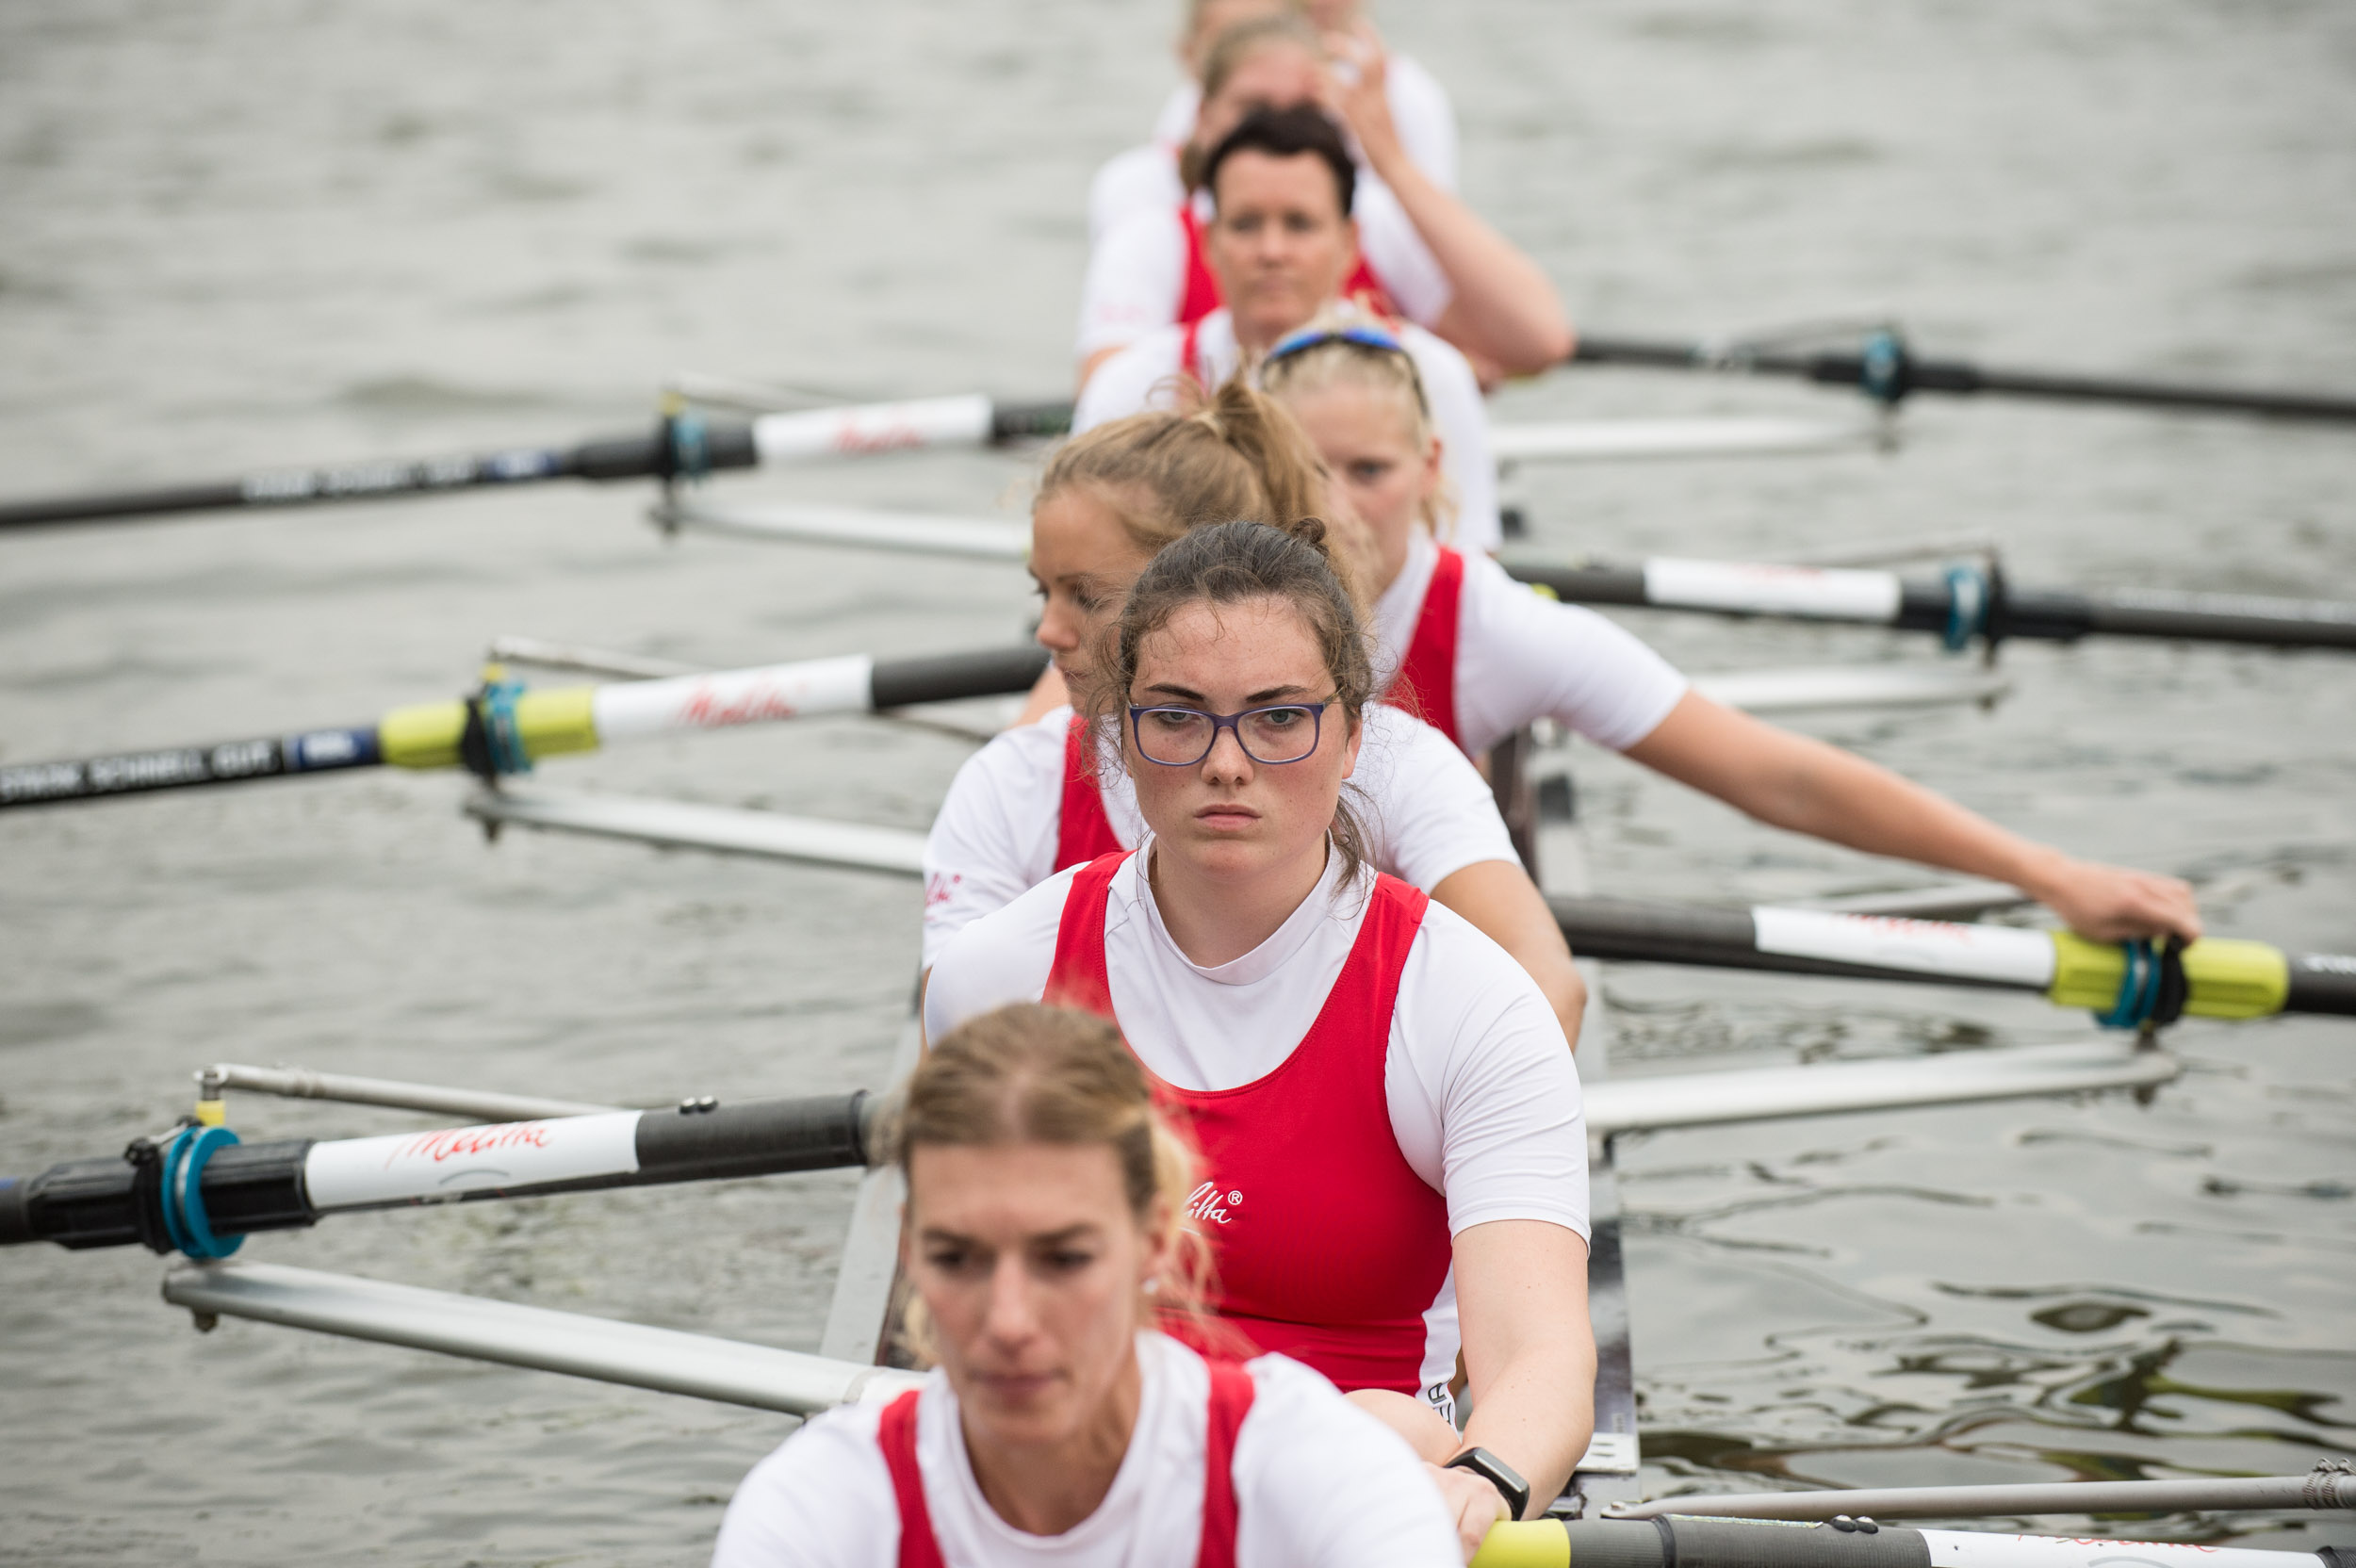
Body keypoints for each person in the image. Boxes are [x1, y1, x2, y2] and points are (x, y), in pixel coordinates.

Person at [925, 521, 1597, 1534]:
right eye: (1178, 717)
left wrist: (1485, 1483)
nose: (1227, 762)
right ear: (1116, 733)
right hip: (1077, 1475)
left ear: (1355, 733)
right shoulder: (999, 978)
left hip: (1340, 1494)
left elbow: (1542, 1357)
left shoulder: (1468, 1003)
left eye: (1278, 718)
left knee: (1382, 1428)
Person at [1258, 315, 2207, 943]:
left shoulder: (1492, 626)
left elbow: (1776, 777)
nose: (1337, 506)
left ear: (1431, 467)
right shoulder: (1205, 595)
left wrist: (2049, 874)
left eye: (1369, 470)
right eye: (1309, 470)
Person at [924, 381, 1586, 1045]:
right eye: (1044, 592)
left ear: (1190, 578)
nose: (1044, 632)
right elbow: (954, 1066)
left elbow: (1547, 988)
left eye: (1084, 595)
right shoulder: (1012, 782)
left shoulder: (1397, 761)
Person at [712, 1002, 1469, 1567]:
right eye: (957, 1259)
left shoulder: (1309, 1473)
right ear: (908, 1250)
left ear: (1153, 1239)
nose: (1007, 1321)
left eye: (1063, 1259)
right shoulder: (820, 1511)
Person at [1076, 104, 1507, 555]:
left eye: (1299, 224)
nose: (1272, 250)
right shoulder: (1132, 385)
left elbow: (1472, 562)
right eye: (1246, 224)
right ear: (1207, 243)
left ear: (1350, 243)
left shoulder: (1433, 376)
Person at [1079, 17, 1567, 394]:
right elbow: (1109, 400)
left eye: (1305, 110)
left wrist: (1391, 160)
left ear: (1347, 242)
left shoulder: (1374, 221)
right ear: (1203, 119)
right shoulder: (1153, 235)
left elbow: (1538, 342)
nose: (1279, 130)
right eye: (1254, 108)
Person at [1121, 0, 1458, 219]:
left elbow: (1435, 230)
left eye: (1303, 107)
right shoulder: (1185, 107)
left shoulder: (1408, 93)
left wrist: (1390, 161)